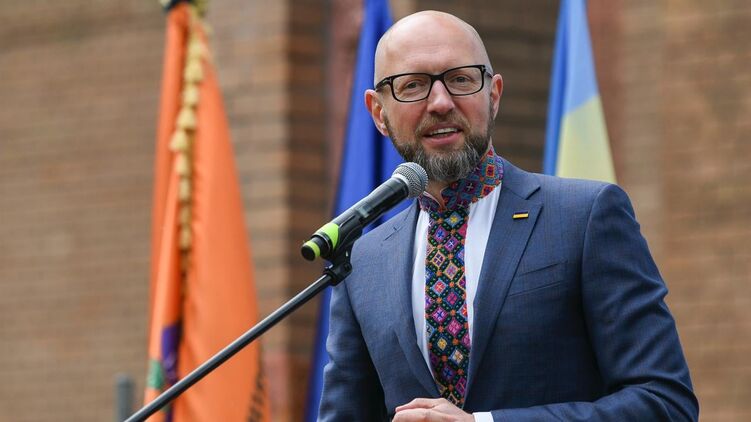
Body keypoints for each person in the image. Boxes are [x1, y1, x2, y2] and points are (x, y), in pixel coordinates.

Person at [318, 10, 698, 422]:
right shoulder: (364, 262)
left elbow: (665, 404)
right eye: (413, 85)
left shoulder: (584, 218)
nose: (441, 102)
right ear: (378, 113)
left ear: (493, 95)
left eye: (461, 79)